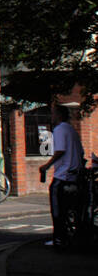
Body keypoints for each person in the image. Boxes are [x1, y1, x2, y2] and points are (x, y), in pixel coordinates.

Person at [39, 103, 83, 247]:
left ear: (59, 115)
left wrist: (46, 166)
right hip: (74, 176)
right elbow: (81, 153)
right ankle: (72, 237)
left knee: (57, 210)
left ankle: (59, 239)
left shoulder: (59, 130)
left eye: (53, 114)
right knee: (71, 210)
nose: (51, 117)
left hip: (62, 176)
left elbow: (60, 151)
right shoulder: (72, 130)